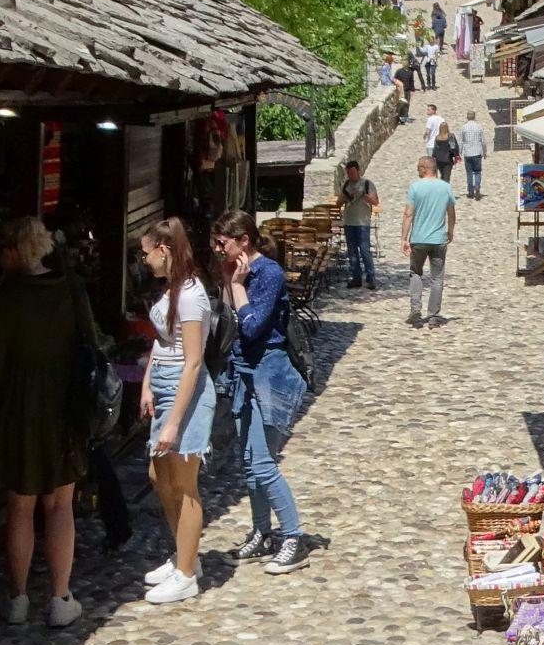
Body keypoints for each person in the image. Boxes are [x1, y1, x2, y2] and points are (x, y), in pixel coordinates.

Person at [0, 216, 91, 627]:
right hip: (63, 403)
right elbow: (89, 346)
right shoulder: (71, 287)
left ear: (12, 251)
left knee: (20, 506)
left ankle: (18, 598)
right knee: (60, 504)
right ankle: (60, 598)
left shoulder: (6, 297)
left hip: (18, 406)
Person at [213, 211, 314, 574]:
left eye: (222, 242)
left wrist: (237, 288)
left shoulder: (268, 273)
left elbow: (254, 327)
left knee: (263, 463)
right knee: (248, 464)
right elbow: (230, 325)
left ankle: (293, 537)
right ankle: (261, 531)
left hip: (270, 374)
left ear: (243, 241)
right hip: (243, 374)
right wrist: (229, 284)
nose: (217, 248)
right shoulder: (237, 273)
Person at [136, 215, 216, 605]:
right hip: (165, 385)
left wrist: (174, 421)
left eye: (147, 254)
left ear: (164, 251)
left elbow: (192, 362)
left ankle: (187, 573)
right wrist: (149, 382)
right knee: (159, 476)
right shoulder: (172, 290)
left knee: (185, 485)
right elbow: (162, 341)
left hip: (186, 394)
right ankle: (185, 554)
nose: (145, 261)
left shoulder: (189, 295)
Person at [404, 153, 458, 328]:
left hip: (418, 239)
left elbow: (408, 214)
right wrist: (450, 230)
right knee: (437, 278)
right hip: (438, 239)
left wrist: (403, 238)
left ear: (424, 168)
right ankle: (433, 315)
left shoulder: (415, 188)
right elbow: (451, 212)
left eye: (418, 167)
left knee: (415, 273)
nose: (417, 170)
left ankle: (415, 308)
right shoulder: (446, 187)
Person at [338, 156, 380, 289]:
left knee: (364, 250)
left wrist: (363, 195)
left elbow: (375, 201)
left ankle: (370, 277)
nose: (350, 175)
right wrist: (345, 198)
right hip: (349, 221)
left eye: (352, 172)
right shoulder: (346, 185)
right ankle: (356, 277)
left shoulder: (367, 184)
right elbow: (338, 203)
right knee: (351, 251)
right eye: (348, 173)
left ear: (358, 170)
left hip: (362, 222)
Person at [457, 108, 487, 199]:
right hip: (477, 152)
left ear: (467, 117)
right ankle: (477, 186)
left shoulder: (464, 127)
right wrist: (485, 152)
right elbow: (483, 141)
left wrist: (459, 153)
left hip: (468, 153)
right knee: (478, 172)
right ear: (474, 117)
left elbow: (461, 142)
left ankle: (470, 191)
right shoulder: (479, 127)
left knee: (469, 173)